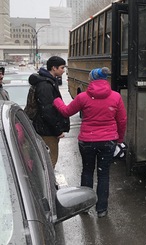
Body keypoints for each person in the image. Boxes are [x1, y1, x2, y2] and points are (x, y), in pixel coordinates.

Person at [53, 67, 127, 218]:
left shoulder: (83, 97)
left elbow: (66, 112)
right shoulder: (116, 97)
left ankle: (85, 206)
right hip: (108, 141)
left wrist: (57, 101)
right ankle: (102, 209)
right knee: (104, 174)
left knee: (87, 172)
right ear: (105, 80)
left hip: (87, 141)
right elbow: (122, 120)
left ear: (92, 80)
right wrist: (119, 139)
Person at [28, 56, 69, 168]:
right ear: (54, 68)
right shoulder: (45, 85)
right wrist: (57, 130)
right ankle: (47, 185)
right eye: (62, 67)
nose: (63, 70)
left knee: (47, 162)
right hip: (47, 131)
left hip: (45, 129)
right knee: (49, 162)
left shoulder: (47, 82)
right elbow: (47, 111)